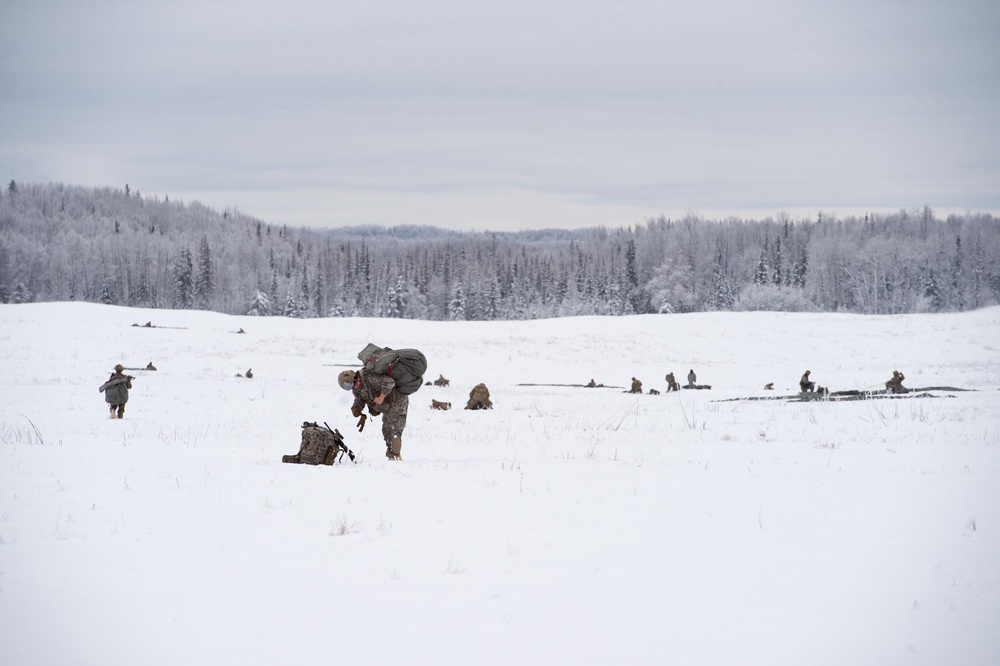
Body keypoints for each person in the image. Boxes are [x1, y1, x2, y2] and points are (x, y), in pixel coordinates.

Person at [339, 367, 408, 460]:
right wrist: (356, 408)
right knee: (387, 431)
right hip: (387, 407)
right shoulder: (356, 388)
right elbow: (360, 399)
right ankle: (395, 455)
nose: (353, 387)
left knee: (393, 430)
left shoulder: (370, 377)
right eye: (348, 387)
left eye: (352, 384)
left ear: (356, 378)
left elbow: (389, 382)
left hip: (397, 401)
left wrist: (381, 397)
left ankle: (394, 457)